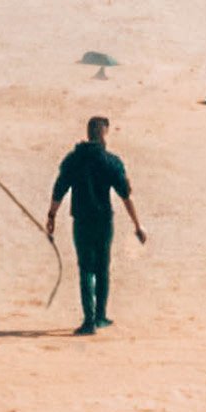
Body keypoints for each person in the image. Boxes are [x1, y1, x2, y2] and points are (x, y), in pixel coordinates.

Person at [47, 114, 145, 334]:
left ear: (88, 133)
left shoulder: (73, 159)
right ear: (103, 134)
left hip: (82, 221)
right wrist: (137, 225)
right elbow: (126, 195)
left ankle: (89, 320)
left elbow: (59, 189)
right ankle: (100, 316)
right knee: (102, 267)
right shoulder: (111, 161)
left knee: (86, 269)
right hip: (103, 221)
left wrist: (51, 216)